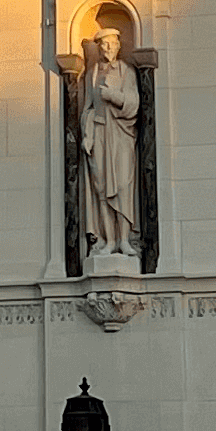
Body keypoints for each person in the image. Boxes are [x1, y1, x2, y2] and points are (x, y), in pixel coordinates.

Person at [77, 26, 143, 263]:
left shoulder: (127, 71)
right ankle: (110, 240)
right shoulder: (92, 74)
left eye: (111, 43)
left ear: (118, 45)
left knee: (123, 185)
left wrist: (113, 96)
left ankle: (124, 239)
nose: (107, 48)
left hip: (122, 135)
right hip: (100, 133)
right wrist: (88, 135)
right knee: (102, 187)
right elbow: (87, 109)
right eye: (103, 44)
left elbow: (134, 104)